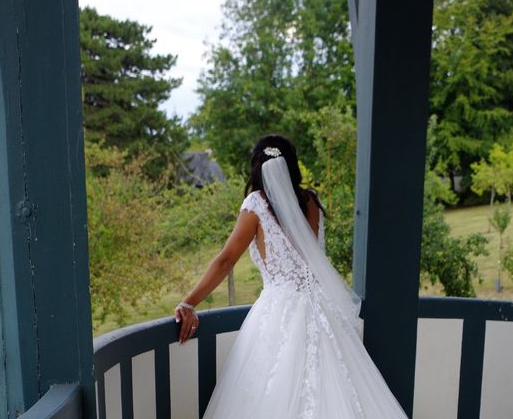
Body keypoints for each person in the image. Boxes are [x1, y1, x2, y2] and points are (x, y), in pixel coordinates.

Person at [174, 134, 408, 418]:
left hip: (279, 311)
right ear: (291, 165)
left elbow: (225, 261)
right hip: (324, 310)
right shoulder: (311, 200)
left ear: (257, 166)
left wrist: (189, 302)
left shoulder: (256, 204)